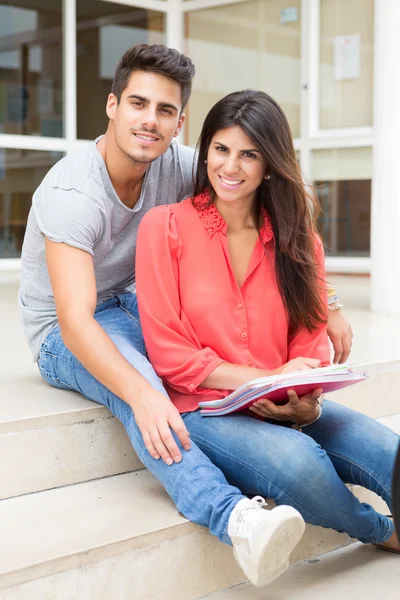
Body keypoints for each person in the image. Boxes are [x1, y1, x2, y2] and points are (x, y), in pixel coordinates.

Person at [18, 44, 350, 587]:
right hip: (62, 327)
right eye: (138, 104)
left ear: (180, 122)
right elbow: (76, 321)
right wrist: (142, 392)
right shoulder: (74, 192)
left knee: (179, 368)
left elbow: (272, 210)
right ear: (111, 106)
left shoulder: (177, 163)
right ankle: (233, 516)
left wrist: (325, 301)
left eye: (165, 111)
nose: (150, 121)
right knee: (142, 391)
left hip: (134, 301)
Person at [135, 89, 400, 576]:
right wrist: (265, 376)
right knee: (301, 463)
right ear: (205, 150)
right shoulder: (165, 227)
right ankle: (382, 532)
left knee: (390, 452)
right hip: (204, 408)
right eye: (221, 149)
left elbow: (310, 344)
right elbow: (169, 353)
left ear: (271, 163)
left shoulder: (299, 240)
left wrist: (308, 402)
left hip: (285, 402)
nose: (230, 167)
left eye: (249, 154)